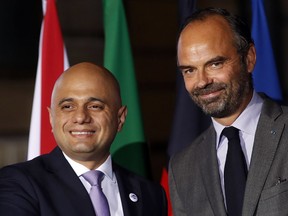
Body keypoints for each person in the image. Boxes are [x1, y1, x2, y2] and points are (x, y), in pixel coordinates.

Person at [0, 62, 167, 216]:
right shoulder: (18, 183)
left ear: (120, 118)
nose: (80, 117)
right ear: (51, 119)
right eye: (68, 107)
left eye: (95, 106)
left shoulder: (150, 194)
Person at [169, 7, 288, 216]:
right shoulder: (182, 168)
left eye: (215, 64)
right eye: (189, 70)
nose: (202, 81)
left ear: (249, 58)